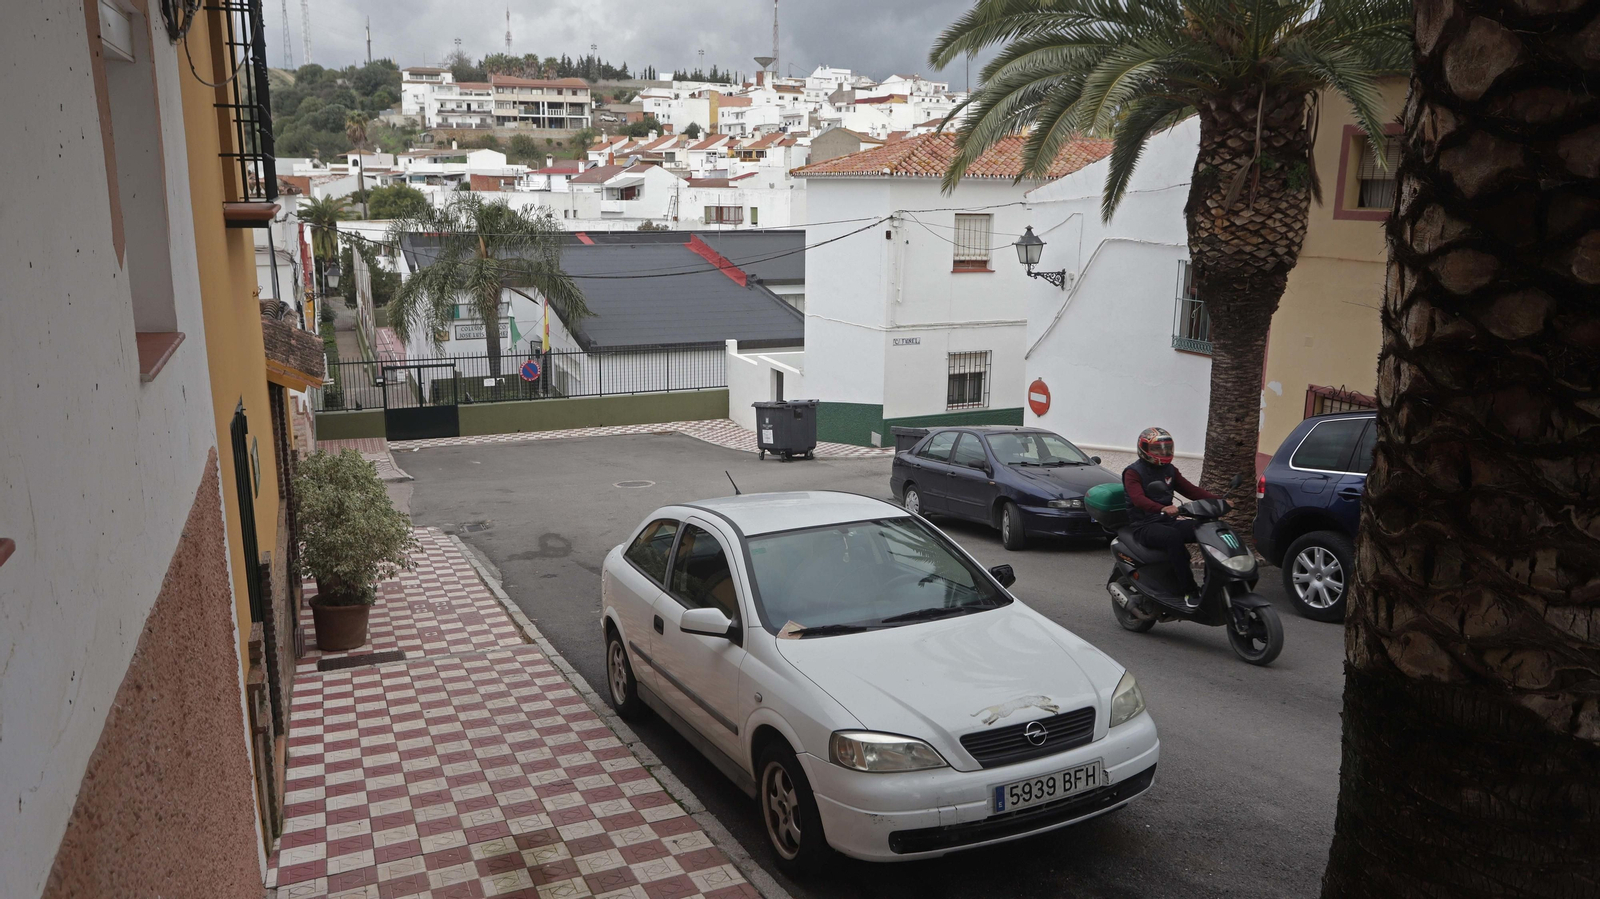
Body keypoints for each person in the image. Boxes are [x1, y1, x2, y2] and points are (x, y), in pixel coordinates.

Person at [1123, 427, 1217, 603]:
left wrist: (1219, 501)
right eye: (1157, 449)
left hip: (1167, 520)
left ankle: (1211, 585)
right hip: (1144, 525)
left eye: (1166, 448)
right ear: (1144, 448)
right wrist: (1162, 508)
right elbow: (1138, 499)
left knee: (1207, 529)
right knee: (1172, 537)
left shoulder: (1170, 470)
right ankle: (1189, 591)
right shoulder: (1133, 472)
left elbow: (1191, 490)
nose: (1163, 452)